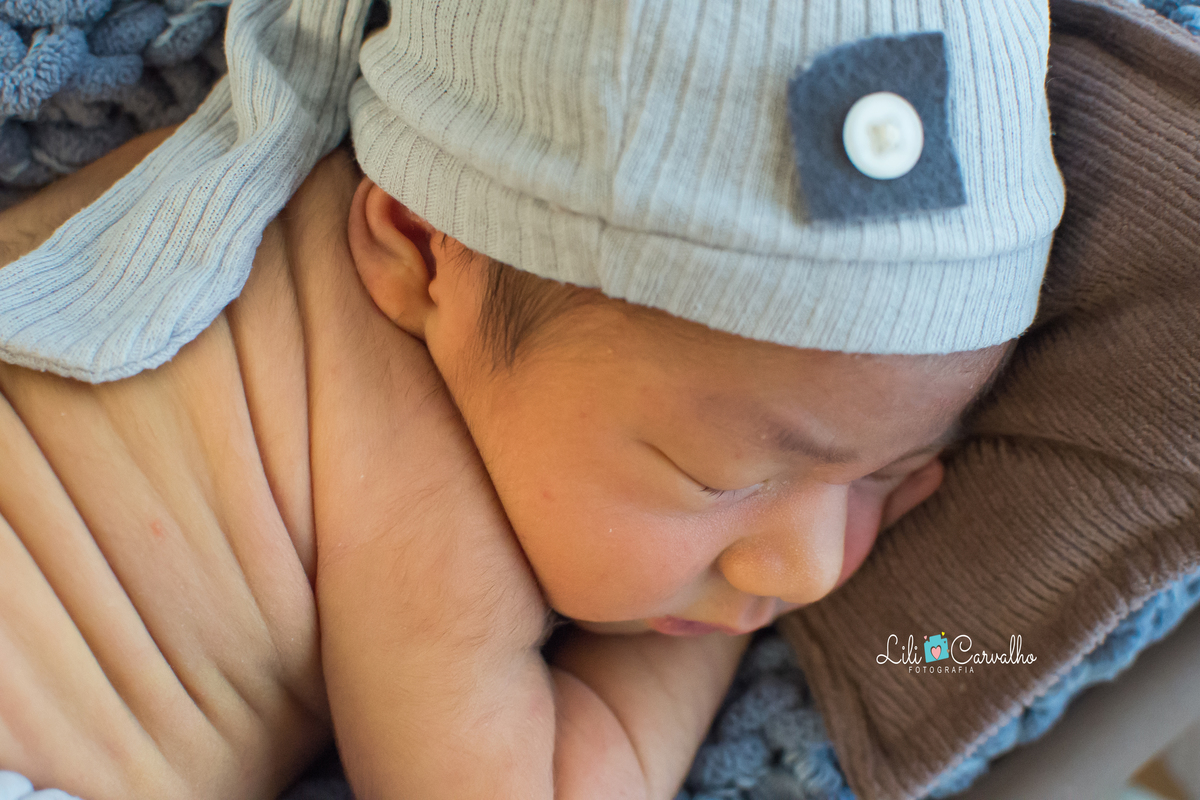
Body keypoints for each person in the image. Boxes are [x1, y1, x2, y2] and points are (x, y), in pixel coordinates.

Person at [0, 1, 1063, 799]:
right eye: (726, 476)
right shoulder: (433, 512)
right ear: (419, 250)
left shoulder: (223, 177)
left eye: (887, 470)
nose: (814, 566)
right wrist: (705, 638)